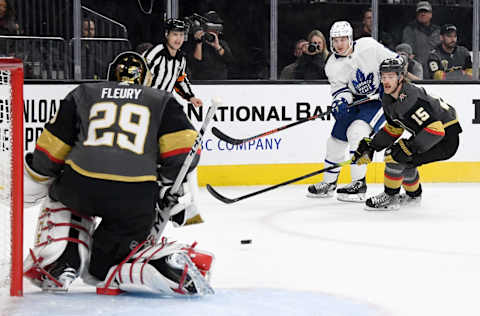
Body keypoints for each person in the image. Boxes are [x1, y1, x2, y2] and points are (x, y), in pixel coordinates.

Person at [22, 51, 214, 295]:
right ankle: (153, 263)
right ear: (146, 78)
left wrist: (39, 174)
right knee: (104, 269)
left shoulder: (83, 93)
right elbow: (184, 156)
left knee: (60, 196)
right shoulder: (162, 100)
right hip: (135, 198)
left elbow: (49, 153)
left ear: (110, 74)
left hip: (81, 186)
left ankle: (61, 259)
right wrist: (164, 187)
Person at [352, 57, 462, 210]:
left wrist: (409, 147)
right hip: (431, 132)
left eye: (391, 76)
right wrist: (372, 146)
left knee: (395, 155)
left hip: (445, 138)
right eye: (383, 76)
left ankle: (390, 196)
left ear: (400, 77)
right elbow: (394, 129)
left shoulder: (410, 98)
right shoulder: (388, 97)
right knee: (406, 159)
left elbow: (436, 130)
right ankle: (413, 197)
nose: (386, 81)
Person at [306, 21, 398, 202]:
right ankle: (329, 183)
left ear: (350, 39)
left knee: (357, 133)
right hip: (356, 102)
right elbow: (341, 90)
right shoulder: (331, 64)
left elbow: (395, 61)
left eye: (343, 39)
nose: (339, 44)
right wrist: (340, 101)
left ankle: (359, 184)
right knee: (334, 141)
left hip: (378, 102)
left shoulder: (368, 46)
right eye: (335, 40)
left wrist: (387, 86)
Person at [143, 18, 204, 226]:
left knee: (185, 142)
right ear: (166, 35)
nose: (178, 39)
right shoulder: (155, 53)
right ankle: (156, 189)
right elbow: (141, 74)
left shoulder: (180, 58)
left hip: (165, 106)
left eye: (181, 35)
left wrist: (191, 97)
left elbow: (180, 80)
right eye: (174, 34)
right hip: (147, 107)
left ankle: (176, 192)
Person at [189, 11, 234, 80]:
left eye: (217, 28)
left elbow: (229, 60)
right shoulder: (197, 43)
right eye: (212, 28)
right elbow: (195, 63)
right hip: (202, 83)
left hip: (221, 82)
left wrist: (217, 46)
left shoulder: (222, 43)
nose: (215, 31)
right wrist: (199, 42)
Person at [401, 1, 440, 73]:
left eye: (425, 11)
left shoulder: (438, 31)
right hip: (417, 70)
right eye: (420, 12)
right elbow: (407, 52)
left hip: (436, 69)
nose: (423, 14)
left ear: (430, 14)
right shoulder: (410, 30)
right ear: (417, 14)